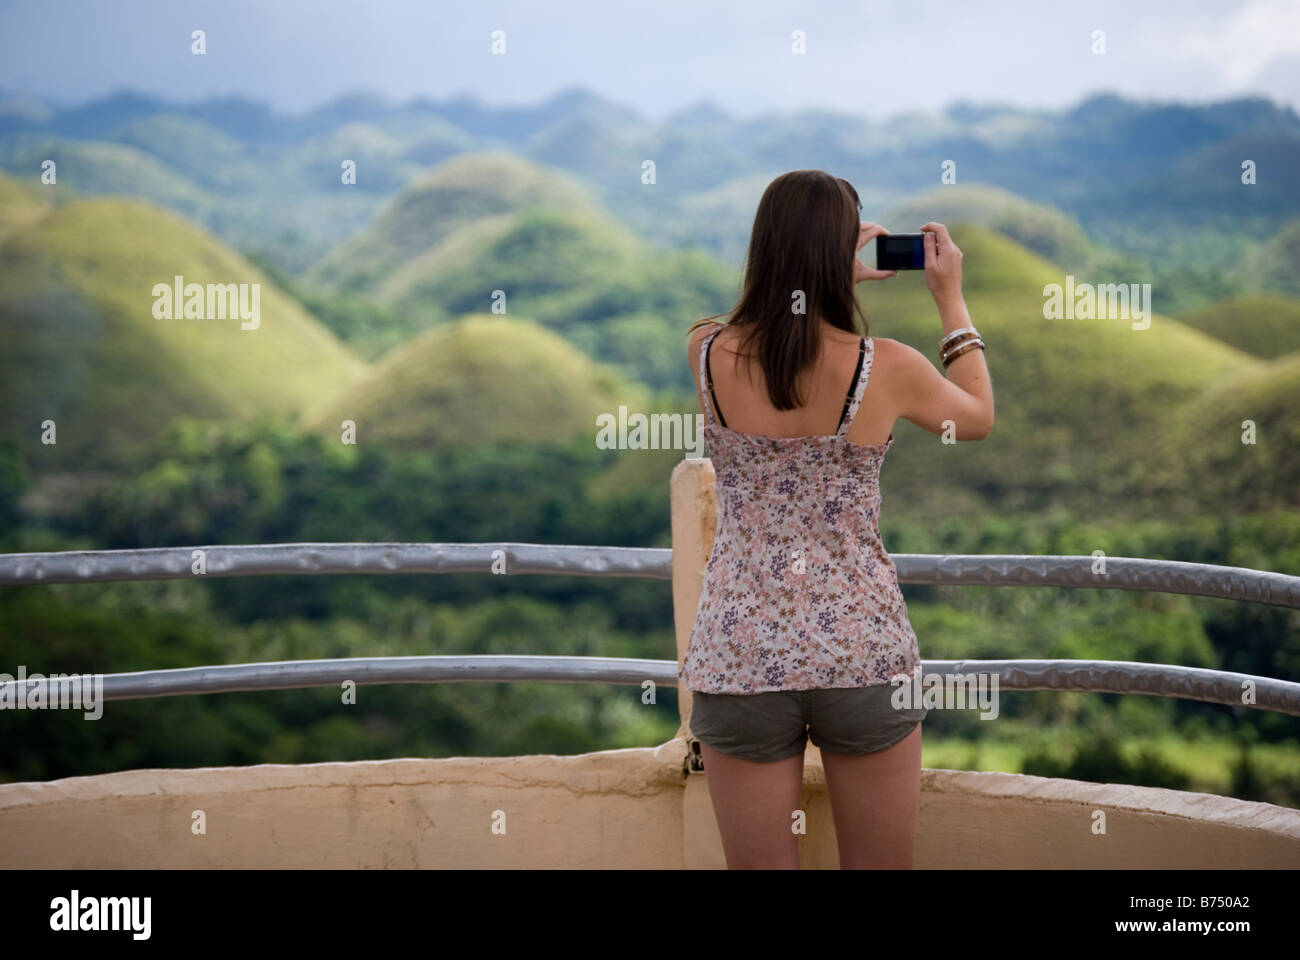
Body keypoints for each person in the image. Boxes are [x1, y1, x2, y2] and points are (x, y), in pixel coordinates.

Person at [681, 169, 994, 869]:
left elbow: (782, 332)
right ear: (838, 256)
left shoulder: (704, 351)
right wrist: (951, 300)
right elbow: (976, 419)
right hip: (862, 652)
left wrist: (821, 275)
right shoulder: (888, 368)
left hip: (740, 656)